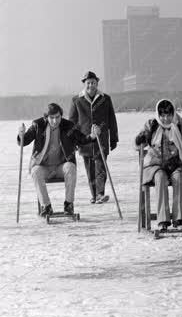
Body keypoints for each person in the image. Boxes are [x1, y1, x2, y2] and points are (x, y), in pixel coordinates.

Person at [17, 103, 100, 217]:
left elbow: (81, 139)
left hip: (61, 166)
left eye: (57, 117)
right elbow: (24, 142)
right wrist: (21, 135)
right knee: (35, 171)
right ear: (46, 117)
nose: (55, 121)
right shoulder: (38, 125)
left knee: (70, 167)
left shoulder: (68, 126)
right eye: (52, 118)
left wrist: (92, 136)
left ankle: (68, 204)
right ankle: (46, 206)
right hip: (43, 167)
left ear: (61, 116)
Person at [134, 99, 182, 231]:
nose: (165, 119)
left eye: (169, 115)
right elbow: (138, 144)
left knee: (179, 178)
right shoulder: (151, 124)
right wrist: (139, 140)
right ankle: (163, 220)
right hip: (155, 164)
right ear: (158, 115)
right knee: (160, 177)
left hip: (178, 163)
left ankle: (179, 219)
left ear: (173, 113)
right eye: (162, 115)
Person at [69, 71, 119, 204]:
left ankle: (100, 194)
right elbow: (72, 123)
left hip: (101, 140)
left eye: (93, 82)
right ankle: (94, 194)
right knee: (90, 170)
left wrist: (114, 138)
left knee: (101, 167)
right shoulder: (76, 100)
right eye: (88, 83)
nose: (91, 85)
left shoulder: (105, 99)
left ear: (97, 83)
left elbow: (112, 120)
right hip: (84, 141)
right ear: (84, 84)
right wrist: (73, 141)